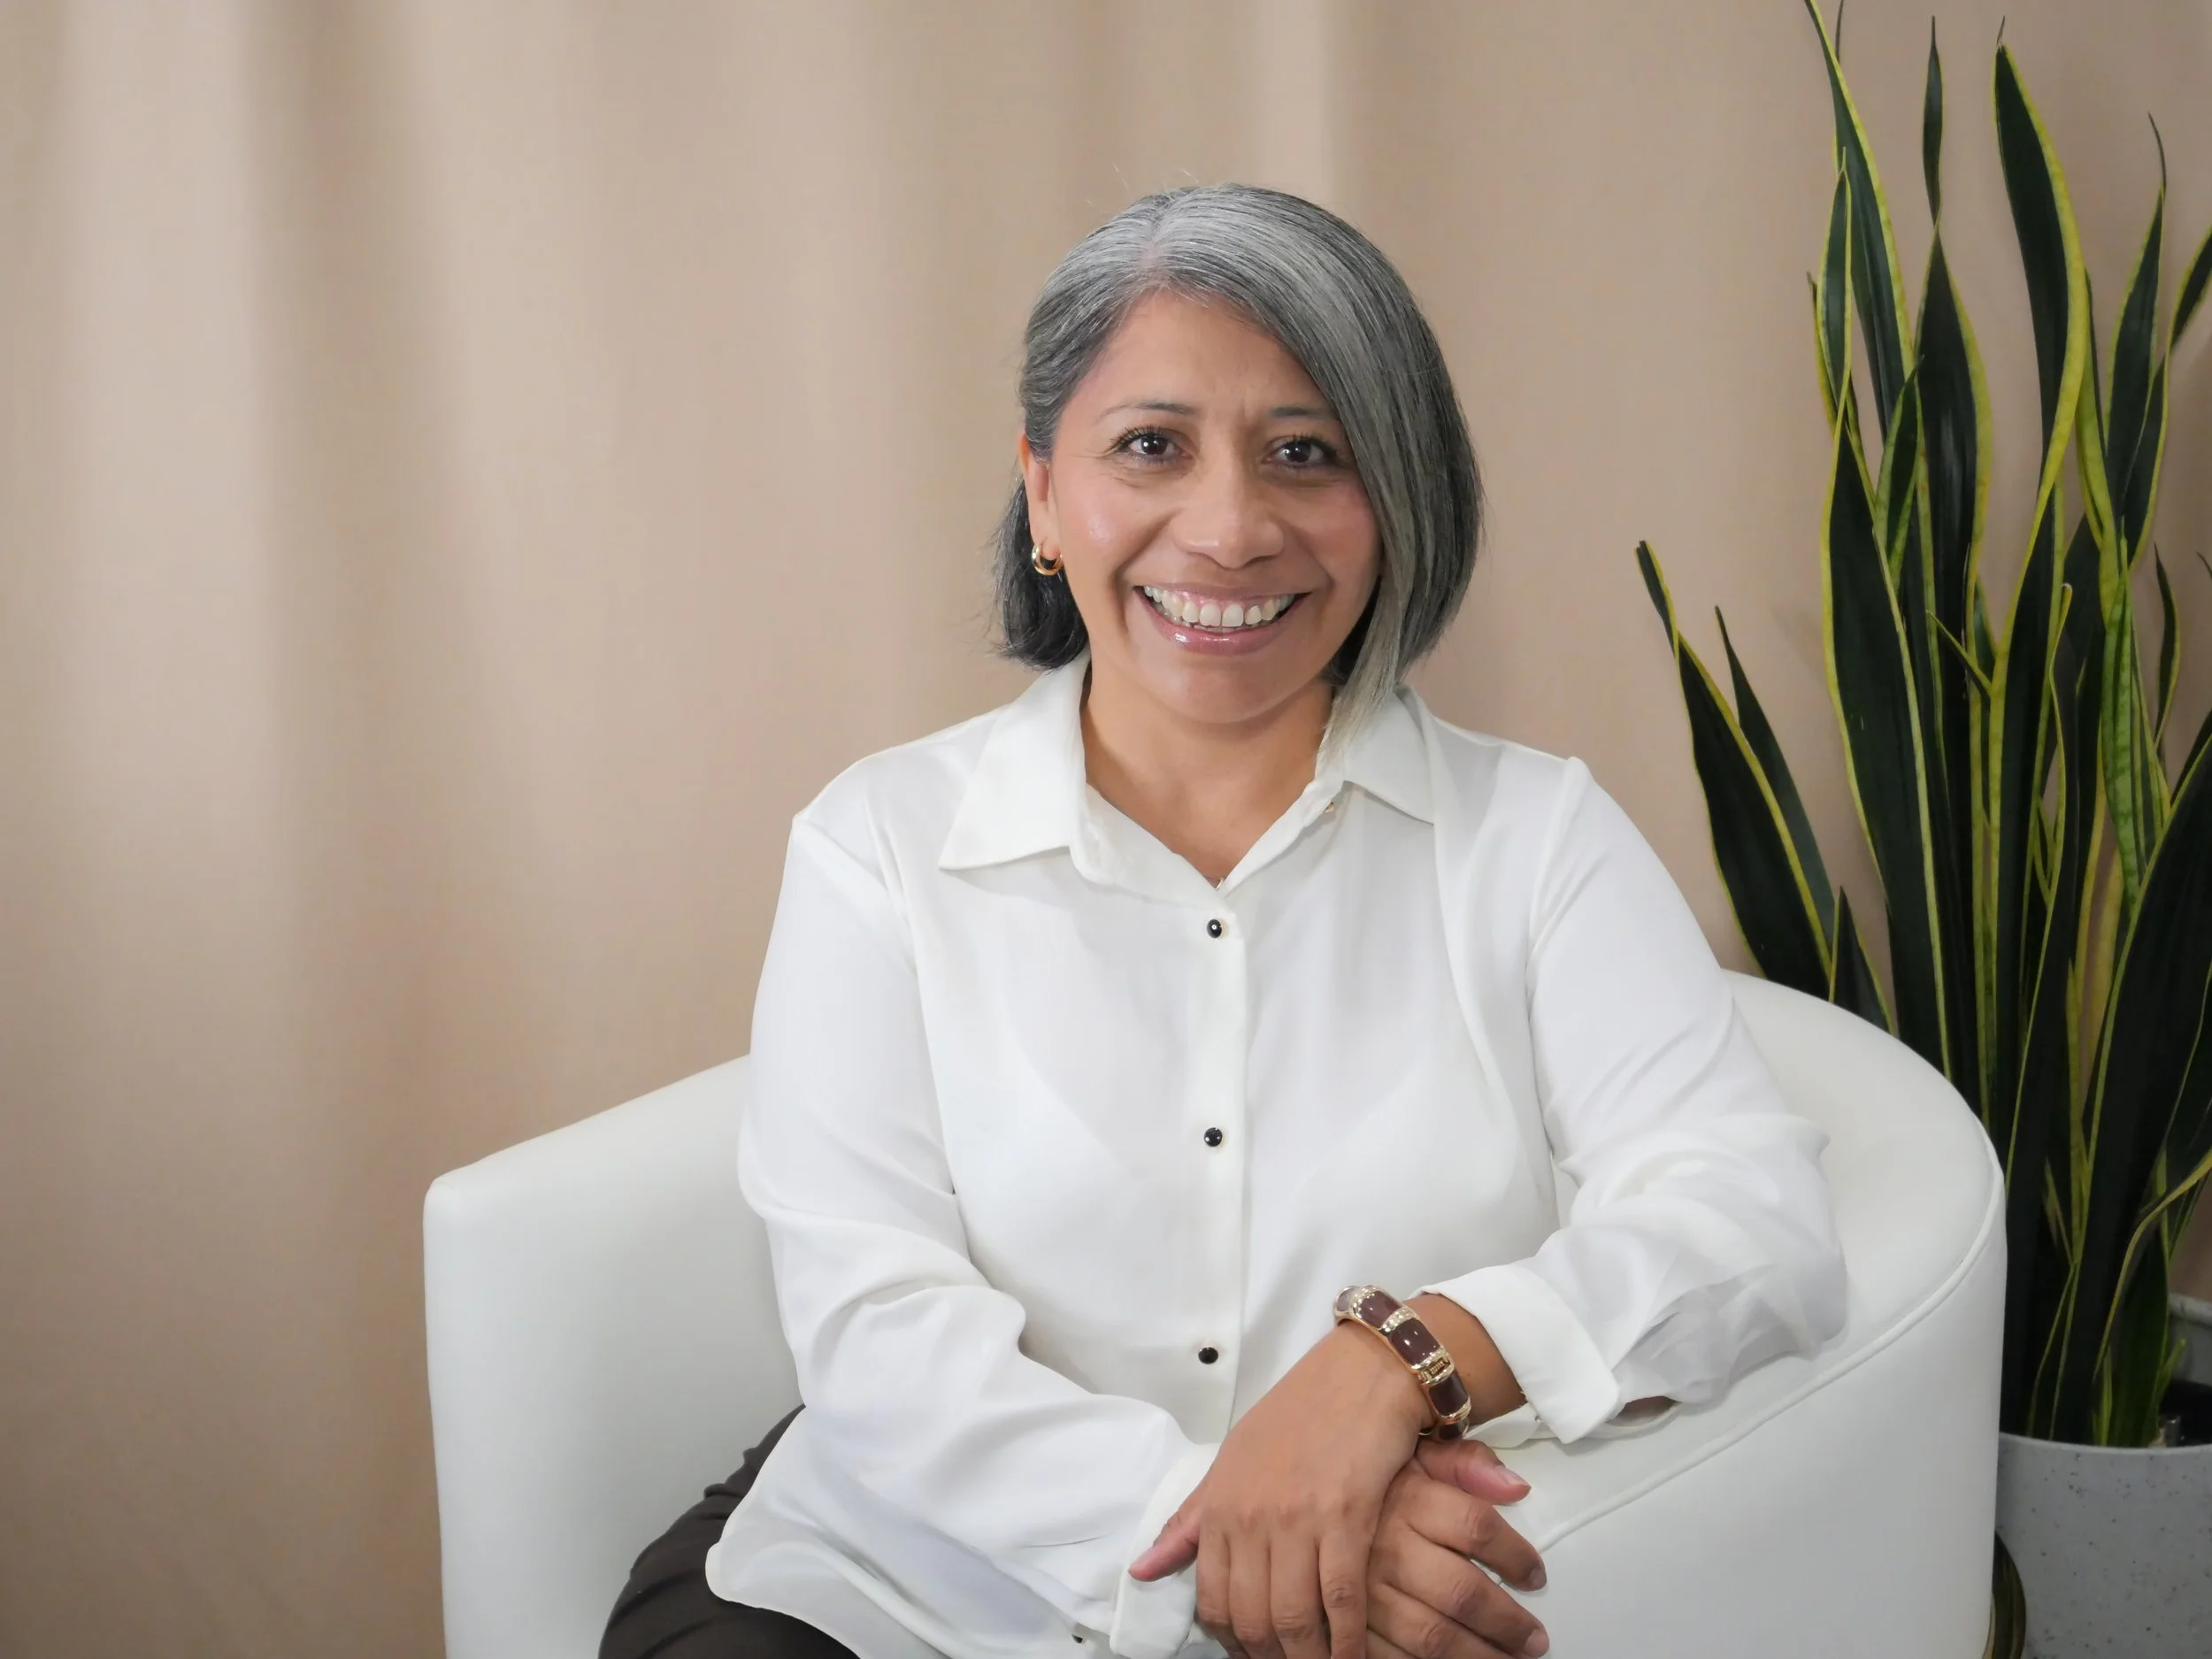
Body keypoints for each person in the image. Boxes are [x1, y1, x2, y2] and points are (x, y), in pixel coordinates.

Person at [601, 182, 1846, 1659]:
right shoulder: (878, 845)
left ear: (1396, 501)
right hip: (902, 1585)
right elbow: (880, 1333)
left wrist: (1393, 1365)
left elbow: (1749, 1222)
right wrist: (1241, 1522)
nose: (1231, 528)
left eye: (1306, 453)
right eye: (1151, 447)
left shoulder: (1539, 839)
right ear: (1044, 495)